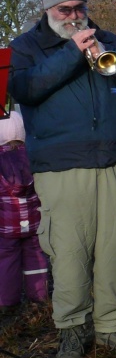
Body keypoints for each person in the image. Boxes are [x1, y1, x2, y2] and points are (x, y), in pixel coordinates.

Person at [10, 0, 116, 358]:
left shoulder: (109, 40)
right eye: (65, 8)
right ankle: (72, 329)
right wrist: (73, 52)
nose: (74, 15)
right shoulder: (27, 47)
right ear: (48, 9)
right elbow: (25, 89)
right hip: (60, 165)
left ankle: (111, 325)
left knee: (115, 246)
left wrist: (112, 57)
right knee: (69, 251)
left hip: (113, 158)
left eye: (80, 7)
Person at [0, 109, 50, 311]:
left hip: (5, 226)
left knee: (6, 261)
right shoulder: (34, 157)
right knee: (36, 256)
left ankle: (6, 301)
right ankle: (39, 295)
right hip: (34, 221)